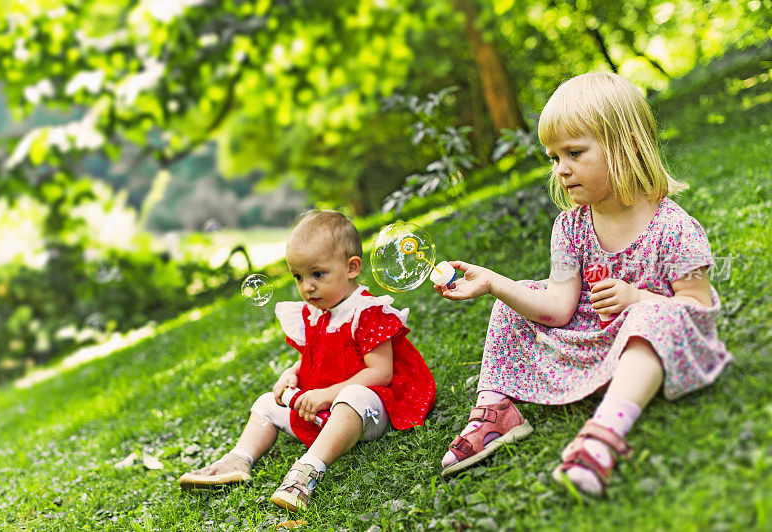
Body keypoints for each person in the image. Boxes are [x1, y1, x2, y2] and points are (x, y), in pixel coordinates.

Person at [435, 72, 732, 497]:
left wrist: (637, 299)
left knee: (650, 316)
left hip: (648, 343)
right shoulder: (570, 227)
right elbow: (558, 307)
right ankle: (498, 410)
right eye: (553, 158)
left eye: (574, 153)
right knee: (513, 300)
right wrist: (494, 284)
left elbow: (697, 307)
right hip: (590, 336)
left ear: (626, 146)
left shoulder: (673, 227)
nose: (562, 170)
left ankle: (604, 434)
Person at [178, 210, 436, 511]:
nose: (307, 287)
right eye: (298, 277)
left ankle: (308, 470)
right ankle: (238, 460)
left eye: (317, 274)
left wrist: (328, 394)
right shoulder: (314, 313)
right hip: (322, 408)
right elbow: (316, 356)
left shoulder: (366, 312)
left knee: (353, 397)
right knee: (266, 403)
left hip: (371, 409)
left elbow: (380, 373)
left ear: (351, 268)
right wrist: (293, 372)